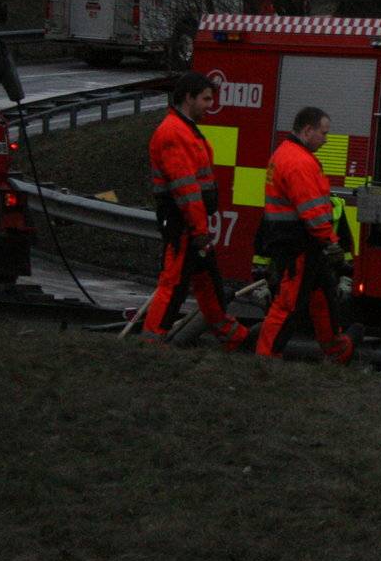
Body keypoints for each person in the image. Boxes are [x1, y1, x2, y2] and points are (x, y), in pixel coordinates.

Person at [141, 72, 251, 349]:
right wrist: (200, 229)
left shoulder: (184, 129)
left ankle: (230, 336)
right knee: (173, 282)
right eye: (206, 98)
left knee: (208, 282)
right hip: (183, 222)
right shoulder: (174, 133)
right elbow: (186, 189)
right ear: (188, 98)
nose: (210, 105)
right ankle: (152, 341)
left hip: (190, 222)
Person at [256, 107, 362, 362]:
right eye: (323, 133)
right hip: (299, 245)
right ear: (307, 130)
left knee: (323, 296)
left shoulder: (288, 155)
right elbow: (313, 211)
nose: (326, 140)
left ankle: (337, 349)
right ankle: (266, 357)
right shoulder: (298, 162)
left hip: (300, 244)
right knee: (287, 304)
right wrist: (330, 241)